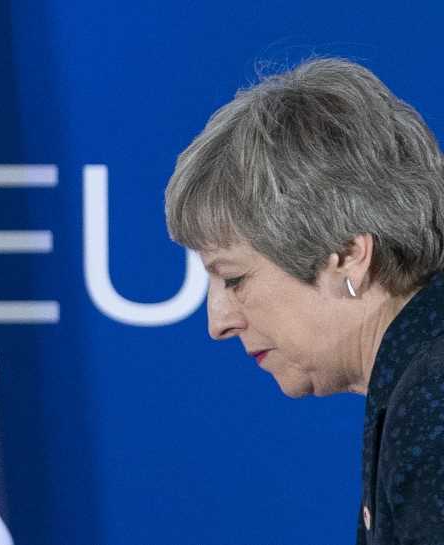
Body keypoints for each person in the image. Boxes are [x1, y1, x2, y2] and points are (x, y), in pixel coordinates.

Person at [164, 58, 444, 544]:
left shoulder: (434, 399)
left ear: (349, 256)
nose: (218, 322)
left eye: (234, 279)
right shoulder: (414, 377)